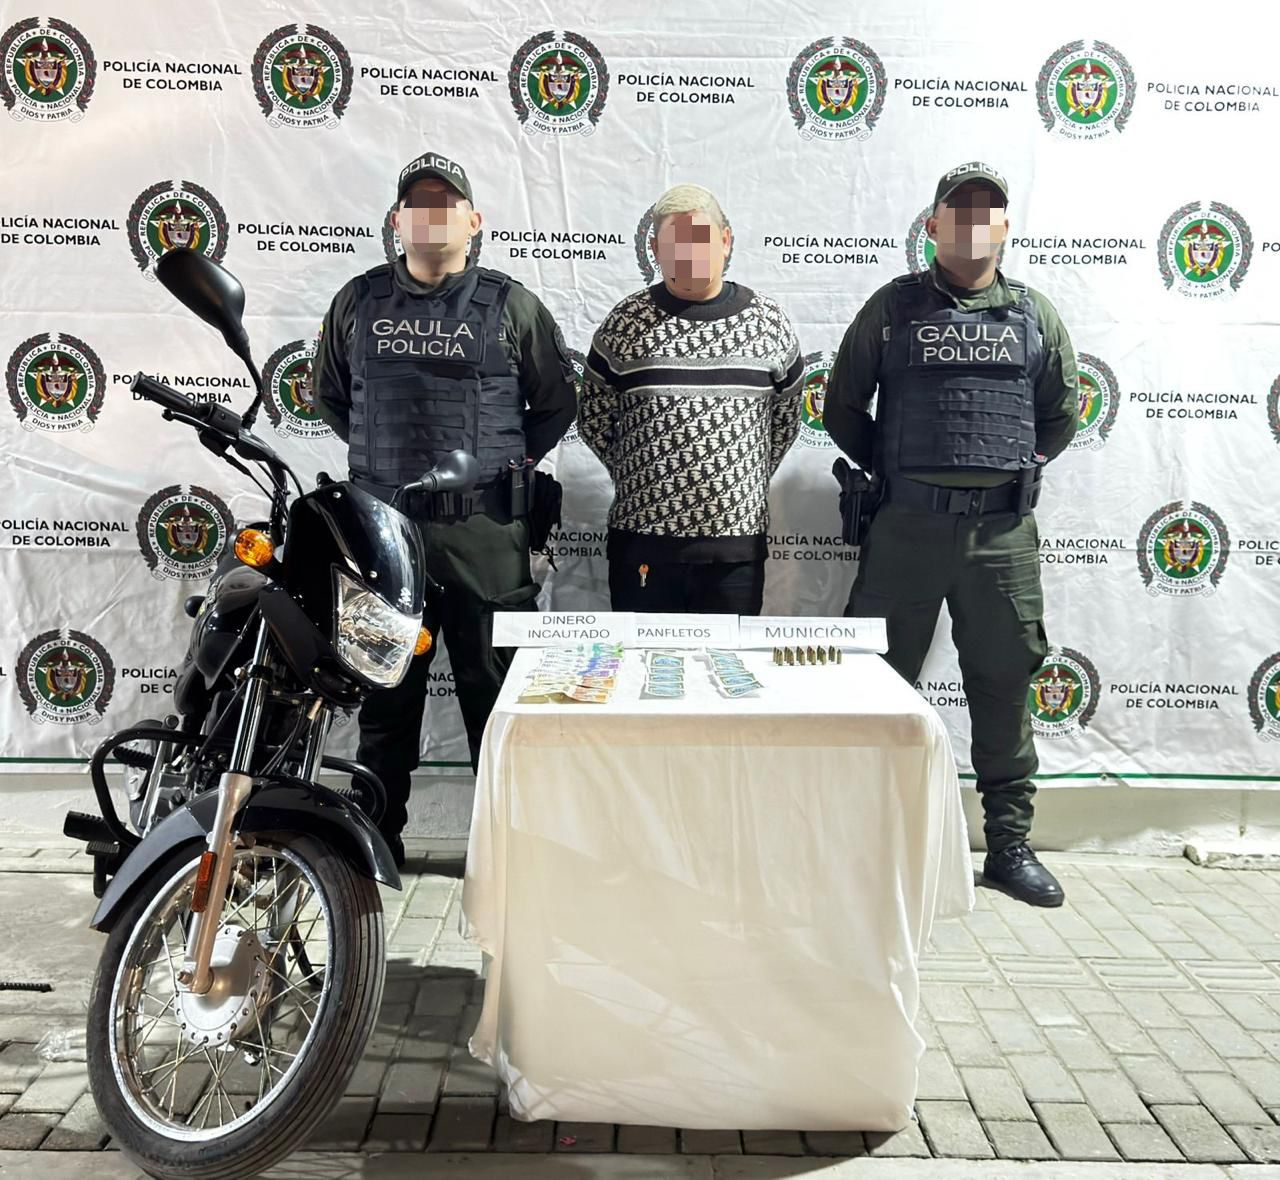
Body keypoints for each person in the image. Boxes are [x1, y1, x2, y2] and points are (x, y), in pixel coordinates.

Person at [825, 161, 1078, 907]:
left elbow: (1060, 414)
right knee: (874, 685)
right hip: (906, 528)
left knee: (1003, 685)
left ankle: (1008, 846)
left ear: (1005, 228)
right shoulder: (893, 308)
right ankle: (863, 845)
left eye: (987, 212)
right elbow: (843, 407)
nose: (972, 224)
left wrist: (1007, 475)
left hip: (1001, 535)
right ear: (933, 226)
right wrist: (900, 475)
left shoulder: (1033, 315)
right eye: (958, 211)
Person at [314, 151, 576, 866]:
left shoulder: (511, 306)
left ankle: (511, 858)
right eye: (417, 205)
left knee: (497, 697)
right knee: (384, 701)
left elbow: (556, 405)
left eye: (446, 204)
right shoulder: (357, 302)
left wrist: (493, 473)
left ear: (474, 220)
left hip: (483, 532)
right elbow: (332, 398)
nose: (431, 216)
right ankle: (373, 852)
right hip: (382, 533)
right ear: (396, 221)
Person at [578, 183, 803, 613]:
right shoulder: (626, 323)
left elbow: (785, 420)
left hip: (735, 552)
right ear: (655, 250)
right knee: (642, 658)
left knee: (728, 659)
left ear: (725, 240)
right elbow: (594, 418)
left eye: (700, 238)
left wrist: (737, 477)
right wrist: (645, 475)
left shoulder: (767, 323)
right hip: (642, 545)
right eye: (674, 242)